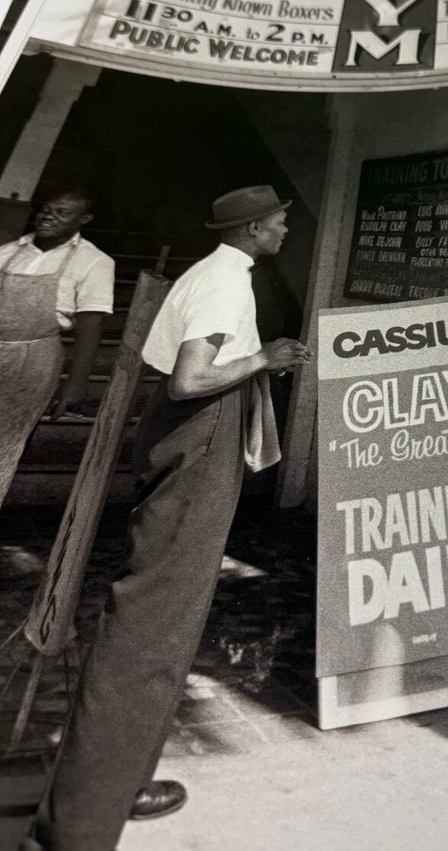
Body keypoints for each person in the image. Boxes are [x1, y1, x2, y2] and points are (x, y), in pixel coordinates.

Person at [22, 185, 312, 851]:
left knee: (164, 629)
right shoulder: (224, 284)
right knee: (149, 631)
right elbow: (190, 380)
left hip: (186, 437)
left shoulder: (212, 272)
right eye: (277, 224)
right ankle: (79, 826)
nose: (283, 233)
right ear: (249, 229)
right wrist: (265, 357)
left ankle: (116, 787)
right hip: (198, 436)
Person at [0, 190, 114, 505]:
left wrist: (76, 384)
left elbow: (90, 325)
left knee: (5, 443)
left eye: (62, 212)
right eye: (47, 210)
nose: (49, 216)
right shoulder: (8, 252)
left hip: (32, 361)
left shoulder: (94, 261)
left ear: (84, 220)